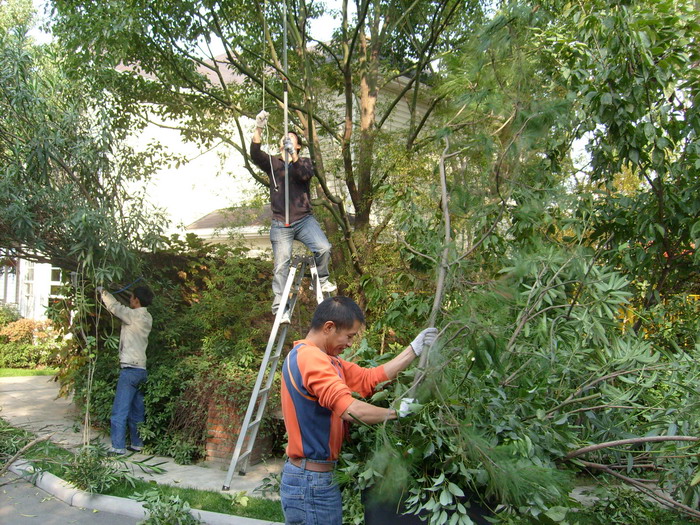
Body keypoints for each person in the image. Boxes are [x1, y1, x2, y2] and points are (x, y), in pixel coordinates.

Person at [280, 296, 437, 524]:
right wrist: (396, 413)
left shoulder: (328, 360)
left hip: (315, 477)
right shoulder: (310, 359)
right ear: (329, 327)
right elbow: (350, 409)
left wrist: (414, 349)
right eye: (350, 336)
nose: (351, 343)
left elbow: (368, 378)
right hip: (310, 481)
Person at [250, 110, 336, 324]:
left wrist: (294, 157)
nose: (286, 141)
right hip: (281, 224)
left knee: (324, 247)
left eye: (292, 140)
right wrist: (259, 127)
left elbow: (304, 175)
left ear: (297, 146)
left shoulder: (304, 162)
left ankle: (322, 280)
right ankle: (281, 308)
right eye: (284, 139)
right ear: (280, 145)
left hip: (303, 220)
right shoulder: (273, 164)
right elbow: (254, 152)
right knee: (281, 265)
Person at [96, 285, 154, 456]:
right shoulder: (147, 316)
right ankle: (137, 443)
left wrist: (103, 292)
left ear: (136, 300)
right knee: (137, 410)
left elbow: (115, 308)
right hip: (141, 370)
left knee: (119, 410)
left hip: (129, 370)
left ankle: (118, 447)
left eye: (131, 297)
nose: (129, 300)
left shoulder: (133, 315)